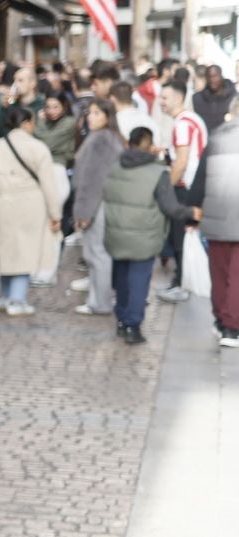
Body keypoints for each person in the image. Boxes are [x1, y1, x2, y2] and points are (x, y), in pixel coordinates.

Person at [102, 126, 196, 345]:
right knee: (139, 280)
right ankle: (133, 325)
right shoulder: (158, 172)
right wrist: (191, 212)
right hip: (144, 234)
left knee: (122, 278)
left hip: (117, 231)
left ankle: (122, 319)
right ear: (150, 144)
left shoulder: (115, 167)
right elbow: (170, 207)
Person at [0, 104, 68, 314]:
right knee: (25, 251)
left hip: (1, 203)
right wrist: (55, 214)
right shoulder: (38, 148)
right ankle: (17, 300)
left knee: (5, 250)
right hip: (31, 204)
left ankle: (6, 295)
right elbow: (48, 185)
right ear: (27, 123)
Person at [68, 97, 125, 316]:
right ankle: (97, 299)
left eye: (96, 113)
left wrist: (83, 212)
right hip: (102, 203)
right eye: (89, 113)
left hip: (98, 205)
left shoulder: (102, 140)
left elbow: (92, 180)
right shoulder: (106, 138)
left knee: (96, 253)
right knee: (95, 253)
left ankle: (99, 302)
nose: (90, 117)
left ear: (107, 117)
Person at [157, 76, 209, 304]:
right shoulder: (191, 119)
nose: (160, 102)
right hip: (193, 186)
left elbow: (182, 161)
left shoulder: (182, 124)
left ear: (178, 98)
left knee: (180, 237)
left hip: (185, 188)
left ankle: (182, 284)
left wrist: (166, 188)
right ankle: (181, 281)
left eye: (164, 97)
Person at [200, 111, 239, 346]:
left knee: (220, 271)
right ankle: (233, 327)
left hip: (217, 212)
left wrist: (191, 209)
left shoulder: (216, 136)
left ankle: (221, 320)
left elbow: (200, 177)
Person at [34, 91, 77, 168]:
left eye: (56, 107)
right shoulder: (46, 121)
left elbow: (46, 143)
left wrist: (40, 122)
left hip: (60, 166)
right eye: (48, 107)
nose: (51, 111)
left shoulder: (69, 122)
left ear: (64, 106)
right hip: (43, 164)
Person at [195, 64, 235, 128]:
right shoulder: (197, 98)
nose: (212, 80)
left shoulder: (234, 98)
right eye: (209, 77)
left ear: (221, 76)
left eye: (215, 76)